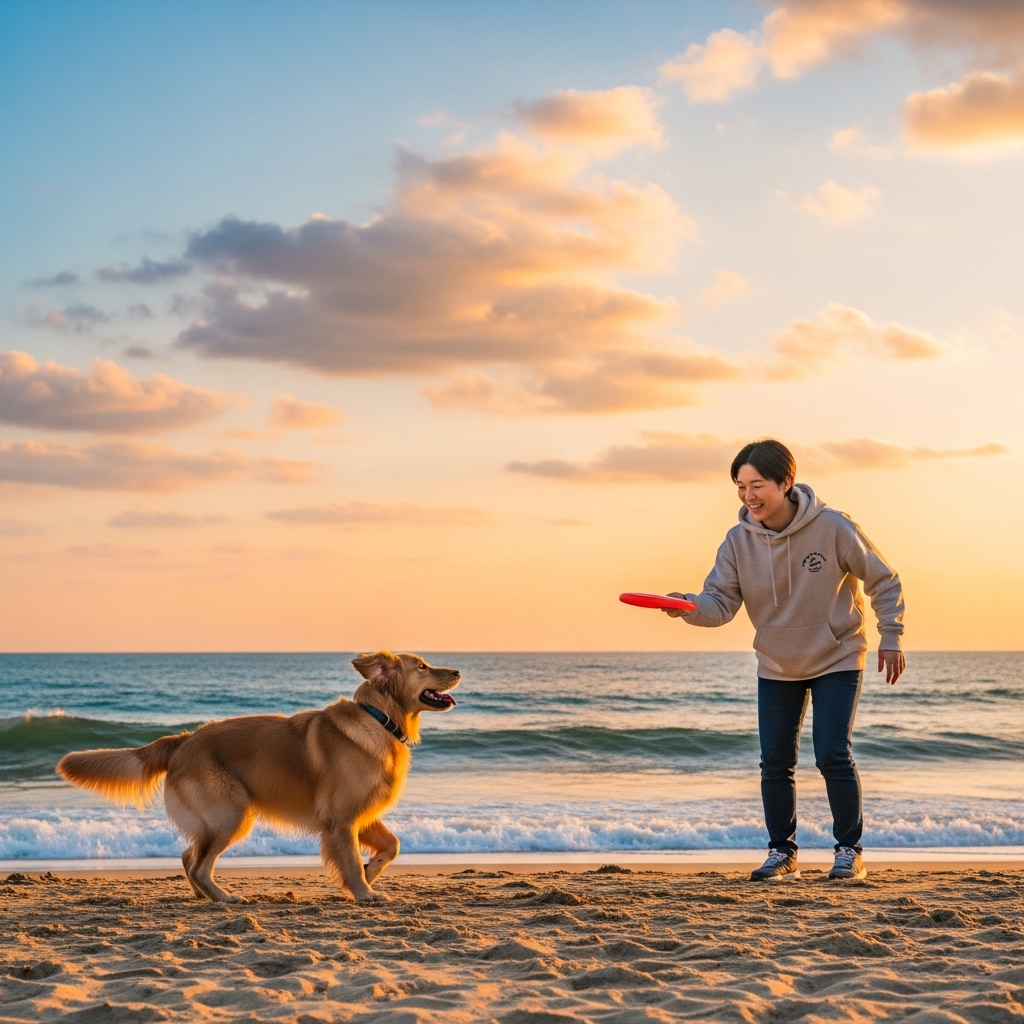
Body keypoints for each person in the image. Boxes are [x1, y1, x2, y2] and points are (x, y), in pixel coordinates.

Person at [664, 438, 904, 881]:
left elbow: (883, 580)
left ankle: (849, 851)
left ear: (786, 481)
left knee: (832, 754)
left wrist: (891, 635)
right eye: (740, 486)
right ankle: (782, 853)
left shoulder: (833, 527)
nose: (748, 495)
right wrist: (688, 607)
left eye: (757, 484)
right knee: (775, 761)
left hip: (837, 654)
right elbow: (719, 603)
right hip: (776, 661)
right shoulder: (738, 541)